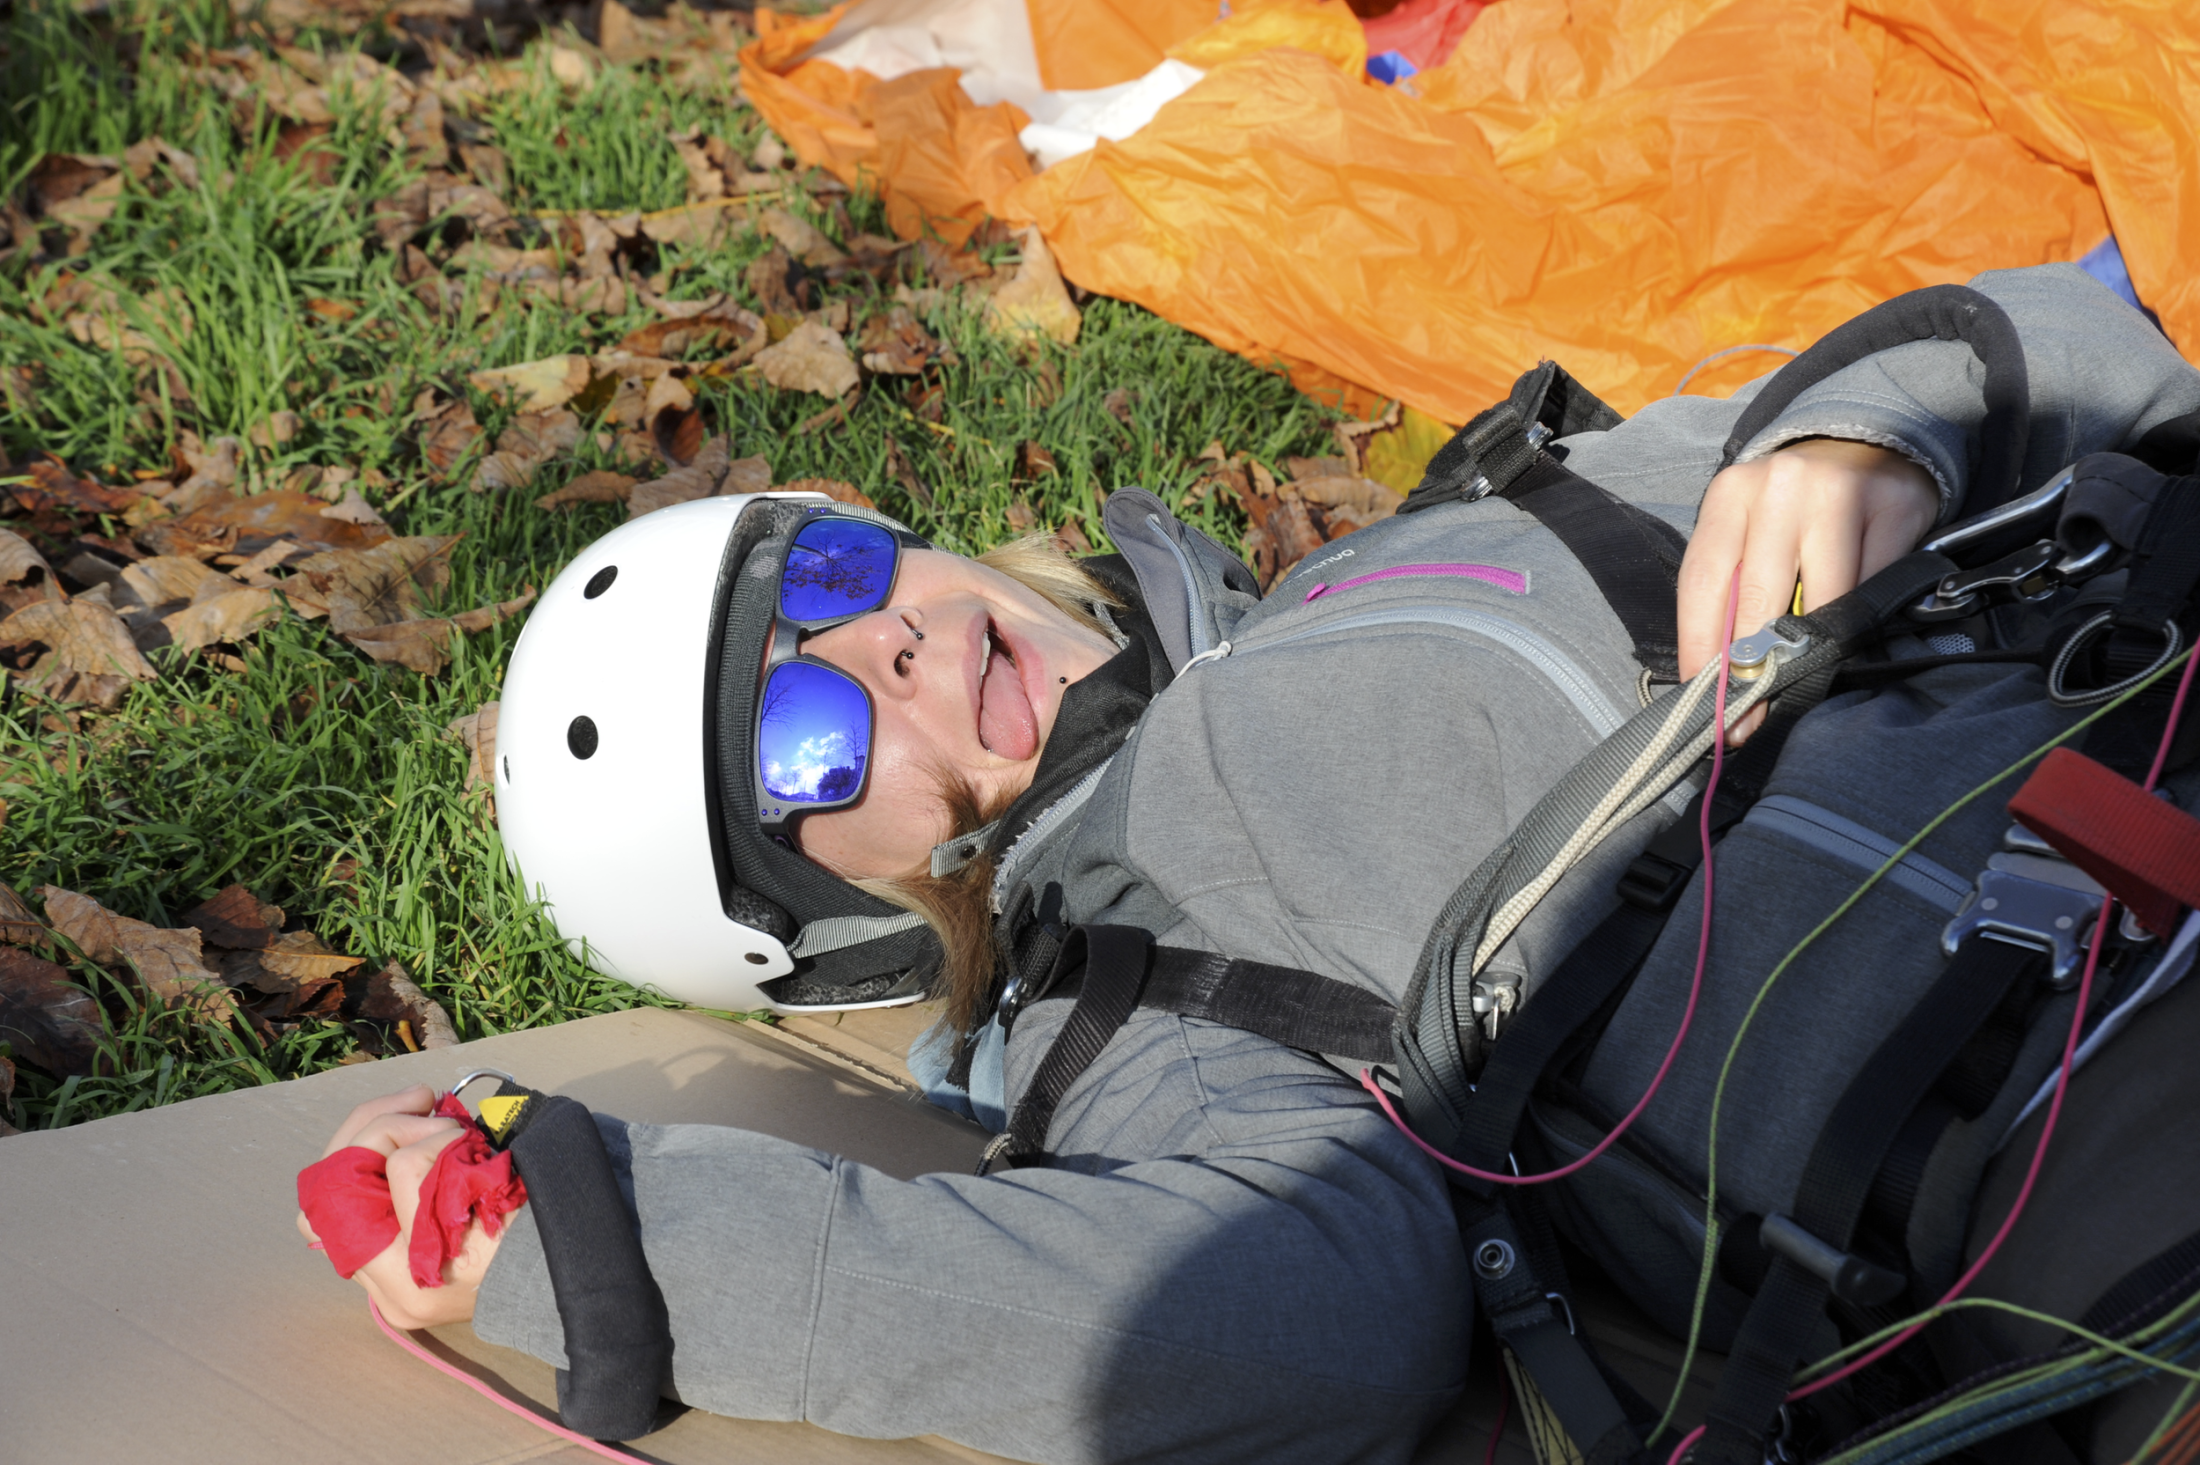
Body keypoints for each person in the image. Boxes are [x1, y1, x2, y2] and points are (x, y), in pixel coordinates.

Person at [301, 264, 2200, 1464]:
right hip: (2094, 1070)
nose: (886, 645)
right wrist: (597, 1238)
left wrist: (1865, 423)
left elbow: (2056, 323)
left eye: (837, 574)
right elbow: (1278, 1320)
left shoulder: (1432, 533)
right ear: (816, 929)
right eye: (807, 739)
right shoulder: (1129, 970)